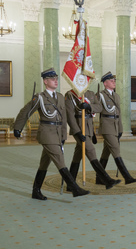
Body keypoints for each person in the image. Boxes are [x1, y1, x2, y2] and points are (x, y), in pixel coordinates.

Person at [13, 68, 89, 200]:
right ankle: (75, 189)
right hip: (47, 134)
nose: (56, 81)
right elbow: (25, 111)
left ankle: (36, 191)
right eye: (52, 79)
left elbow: (64, 118)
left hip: (58, 134)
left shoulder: (60, 96)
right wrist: (17, 128)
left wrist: (64, 136)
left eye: (56, 78)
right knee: (60, 160)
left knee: (44, 163)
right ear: (45, 81)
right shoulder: (40, 98)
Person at [65, 86, 121, 189]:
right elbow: (69, 117)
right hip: (79, 129)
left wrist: (89, 106)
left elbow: (99, 107)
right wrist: (77, 132)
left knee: (78, 155)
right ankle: (106, 180)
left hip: (89, 128)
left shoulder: (90, 94)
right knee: (91, 151)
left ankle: (70, 184)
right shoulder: (70, 95)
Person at [97, 72, 136, 184]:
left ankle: (98, 178)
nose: (114, 82)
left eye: (114, 80)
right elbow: (95, 109)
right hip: (107, 126)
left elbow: (118, 114)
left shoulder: (116, 96)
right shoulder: (100, 95)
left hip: (115, 126)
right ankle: (127, 177)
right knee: (115, 150)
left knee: (106, 152)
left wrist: (120, 129)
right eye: (111, 81)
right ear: (105, 83)